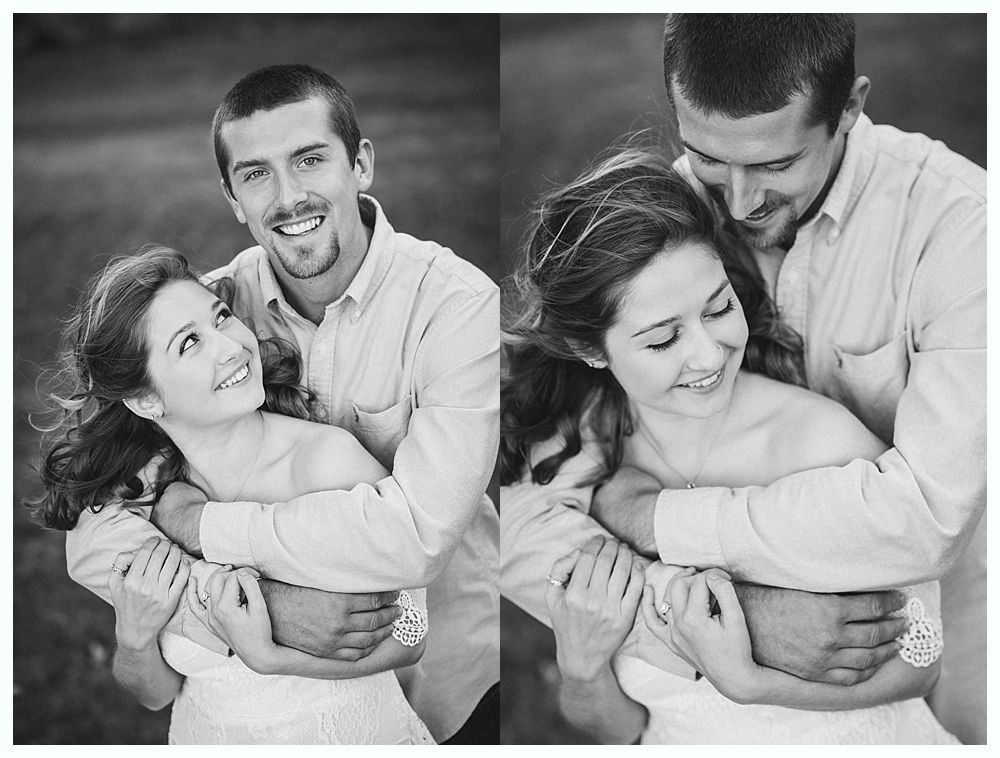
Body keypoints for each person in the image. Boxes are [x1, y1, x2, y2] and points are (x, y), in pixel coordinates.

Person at [501, 14, 984, 744]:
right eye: (707, 159)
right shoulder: (668, 231)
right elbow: (523, 526)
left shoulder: (965, 232)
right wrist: (732, 616)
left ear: (849, 108)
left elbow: (927, 519)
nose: (737, 203)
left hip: (943, 586)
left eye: (775, 165)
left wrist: (660, 522)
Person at [62, 64, 500, 743]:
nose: (288, 195)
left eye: (309, 159)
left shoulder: (456, 306)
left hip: (451, 677)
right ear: (233, 197)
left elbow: (415, 539)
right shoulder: (211, 313)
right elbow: (95, 538)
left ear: (361, 165)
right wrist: (259, 605)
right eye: (256, 173)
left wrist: (204, 530)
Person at [35, 248, 433, 743]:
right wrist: (134, 639)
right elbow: (156, 694)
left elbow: (411, 633)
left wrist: (273, 658)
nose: (229, 346)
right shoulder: (147, 507)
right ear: (145, 399)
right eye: (190, 344)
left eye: (220, 317)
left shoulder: (327, 461)